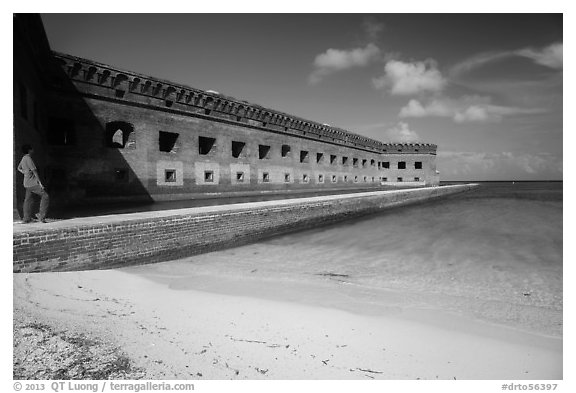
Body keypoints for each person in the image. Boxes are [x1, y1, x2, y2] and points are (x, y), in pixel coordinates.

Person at [17, 144, 49, 223]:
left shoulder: (23, 158)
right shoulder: (28, 158)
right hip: (33, 183)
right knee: (45, 196)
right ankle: (41, 216)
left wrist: (25, 173)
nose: (33, 150)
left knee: (28, 200)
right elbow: (35, 171)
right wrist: (40, 182)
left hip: (26, 183)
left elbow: (19, 168)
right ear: (29, 150)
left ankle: (26, 218)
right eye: (32, 149)